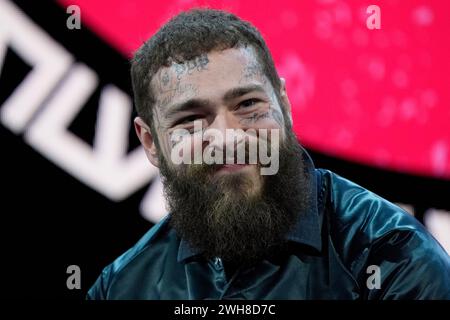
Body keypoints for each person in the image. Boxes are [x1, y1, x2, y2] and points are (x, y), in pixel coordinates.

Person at [87, 8, 450, 300]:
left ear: (285, 104)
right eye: (191, 119)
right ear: (150, 142)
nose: (227, 137)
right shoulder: (122, 286)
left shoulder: (390, 257)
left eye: (247, 104)